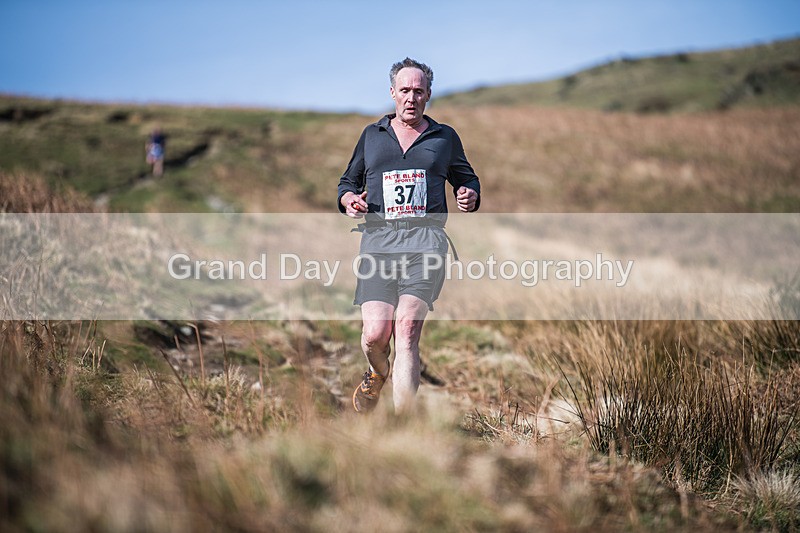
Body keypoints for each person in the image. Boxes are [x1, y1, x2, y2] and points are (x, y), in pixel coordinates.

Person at [337, 58, 481, 414]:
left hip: (426, 244)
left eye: (419, 91)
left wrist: (469, 194)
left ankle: (404, 423)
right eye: (405, 90)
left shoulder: (444, 137)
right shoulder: (372, 136)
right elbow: (346, 183)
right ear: (392, 93)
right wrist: (349, 200)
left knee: (407, 330)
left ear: (428, 94)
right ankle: (376, 371)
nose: (411, 98)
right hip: (378, 244)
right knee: (375, 334)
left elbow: (467, 178)